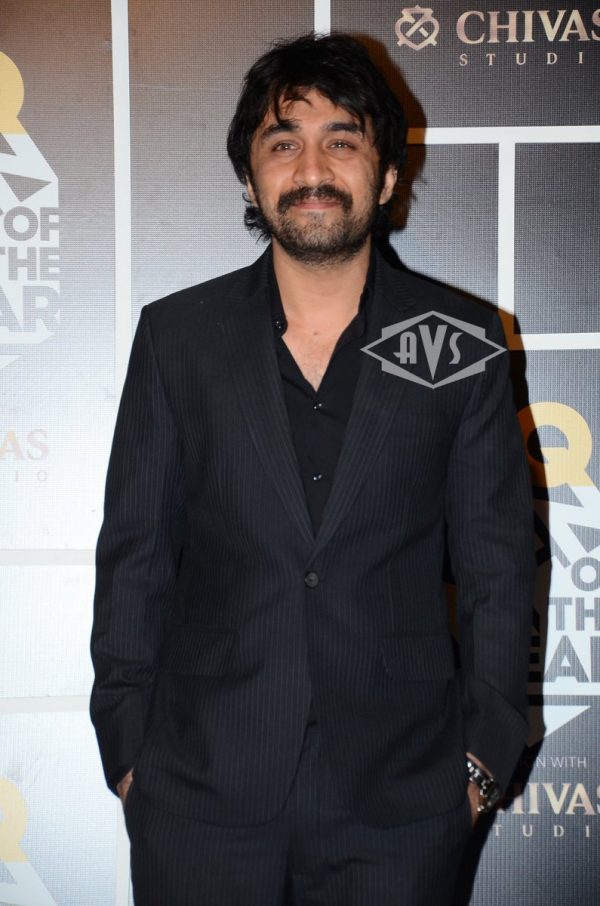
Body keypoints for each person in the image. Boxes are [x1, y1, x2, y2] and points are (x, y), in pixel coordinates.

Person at [90, 32, 534, 905]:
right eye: (283, 142)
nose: (313, 168)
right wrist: (130, 754)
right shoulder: (179, 339)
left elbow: (498, 567)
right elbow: (134, 559)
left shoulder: (458, 342)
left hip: (404, 802)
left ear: (388, 174)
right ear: (249, 177)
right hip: (198, 794)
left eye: (343, 140)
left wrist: (480, 763)